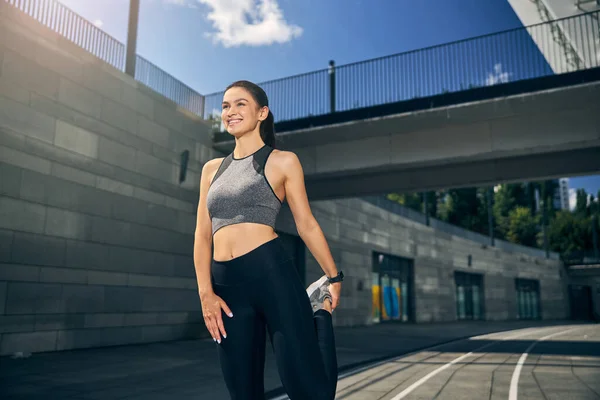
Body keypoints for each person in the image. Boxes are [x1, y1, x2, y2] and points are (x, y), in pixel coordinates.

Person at [193, 80, 343, 400]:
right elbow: (202, 235)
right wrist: (206, 293)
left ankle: (321, 313)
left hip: (271, 274)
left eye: (240, 104)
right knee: (242, 390)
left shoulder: (283, 161)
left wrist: (334, 276)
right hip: (226, 286)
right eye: (225, 106)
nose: (230, 112)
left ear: (262, 112)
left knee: (309, 389)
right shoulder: (210, 170)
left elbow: (306, 225)